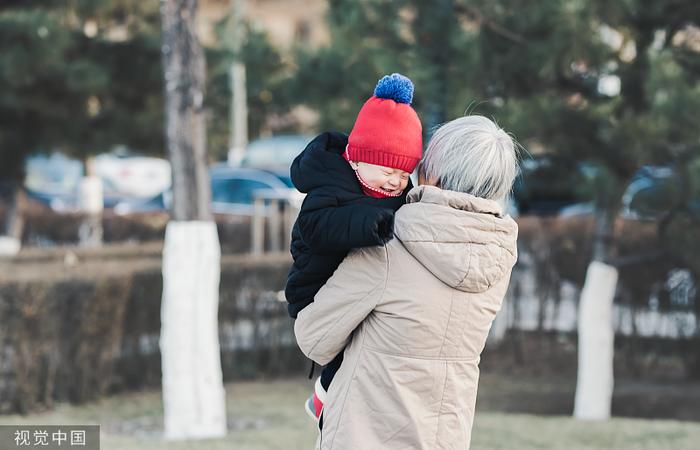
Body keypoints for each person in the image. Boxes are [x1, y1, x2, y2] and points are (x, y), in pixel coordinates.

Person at [294, 115, 520, 449]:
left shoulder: (390, 243)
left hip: (366, 435)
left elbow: (314, 337)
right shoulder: (500, 253)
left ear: (434, 174)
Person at [285, 73, 423, 423]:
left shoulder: (393, 195)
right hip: (314, 286)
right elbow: (316, 227)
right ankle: (323, 397)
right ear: (358, 159)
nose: (395, 180)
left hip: (354, 285)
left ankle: (337, 399)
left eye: (404, 173)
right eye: (388, 169)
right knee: (349, 350)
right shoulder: (330, 184)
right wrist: (369, 224)